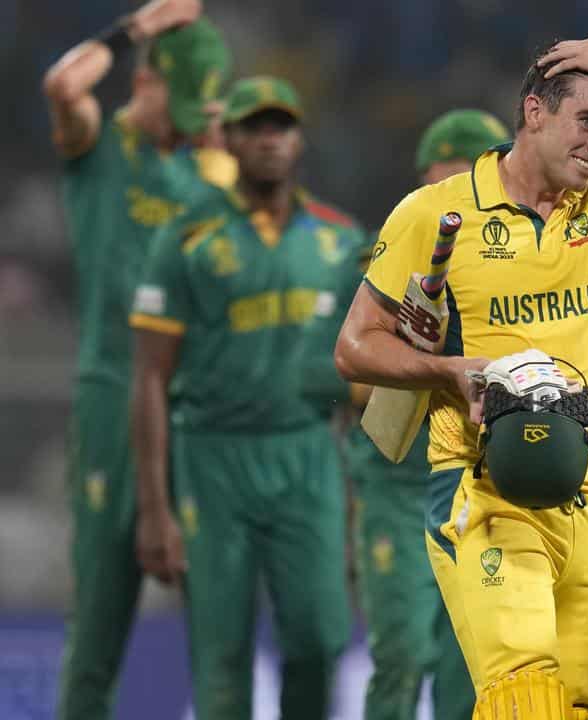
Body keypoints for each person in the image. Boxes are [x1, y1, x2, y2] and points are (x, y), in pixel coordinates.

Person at [334, 37, 588, 719]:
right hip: (487, 492)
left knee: (570, 706)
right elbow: (353, 349)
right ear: (534, 112)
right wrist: (447, 371)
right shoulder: (435, 212)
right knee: (524, 696)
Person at [129, 76, 361, 719]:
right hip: (212, 458)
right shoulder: (185, 239)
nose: (269, 139)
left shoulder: (342, 241)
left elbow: (371, 370)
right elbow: (149, 376)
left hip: (309, 454)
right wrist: (155, 509)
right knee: (221, 655)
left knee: (318, 638)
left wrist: (363, 488)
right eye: (253, 127)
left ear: (300, 138)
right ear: (226, 138)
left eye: (280, 126)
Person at [42, 3, 231, 717]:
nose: (187, 125)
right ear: (144, 82)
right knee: (98, 627)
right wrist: (138, 28)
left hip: (196, 413)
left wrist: (213, 138)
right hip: (112, 397)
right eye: (179, 105)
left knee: (219, 625)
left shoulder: (197, 175)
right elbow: (63, 86)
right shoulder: (98, 148)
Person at [302, 108, 510, 720]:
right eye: (455, 173)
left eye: (481, 170)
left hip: (478, 485)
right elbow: (310, 375)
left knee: (468, 664)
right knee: (402, 654)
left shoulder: (511, 267)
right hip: (394, 485)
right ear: (426, 176)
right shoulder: (374, 263)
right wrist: (383, 372)